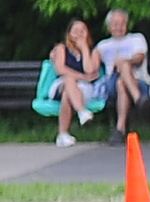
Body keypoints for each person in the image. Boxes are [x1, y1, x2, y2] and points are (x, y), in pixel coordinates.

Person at [34, 19, 101, 147]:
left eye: (82, 31)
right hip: (61, 84)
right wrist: (82, 77)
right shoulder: (61, 48)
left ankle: (62, 134)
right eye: (75, 31)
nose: (79, 34)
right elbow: (61, 69)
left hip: (83, 88)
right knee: (68, 80)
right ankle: (81, 111)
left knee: (67, 95)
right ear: (69, 34)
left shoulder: (94, 51)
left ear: (87, 33)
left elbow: (90, 70)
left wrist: (84, 48)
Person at [95, 10, 150, 139]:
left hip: (139, 81)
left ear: (127, 25)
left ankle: (120, 129)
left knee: (121, 82)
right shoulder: (103, 45)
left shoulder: (137, 39)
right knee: (119, 79)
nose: (119, 27)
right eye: (115, 24)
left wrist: (125, 63)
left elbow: (139, 57)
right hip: (112, 84)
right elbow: (90, 68)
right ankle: (138, 99)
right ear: (109, 26)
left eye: (122, 23)